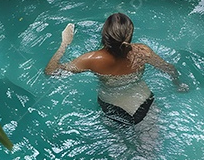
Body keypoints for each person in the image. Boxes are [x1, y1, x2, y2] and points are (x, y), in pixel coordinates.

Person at [44, 13, 188, 125]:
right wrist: (178, 84)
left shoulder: (92, 59)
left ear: (104, 36)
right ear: (130, 36)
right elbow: (169, 69)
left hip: (114, 108)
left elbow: (51, 72)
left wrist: (65, 43)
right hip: (145, 104)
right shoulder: (143, 52)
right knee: (149, 157)